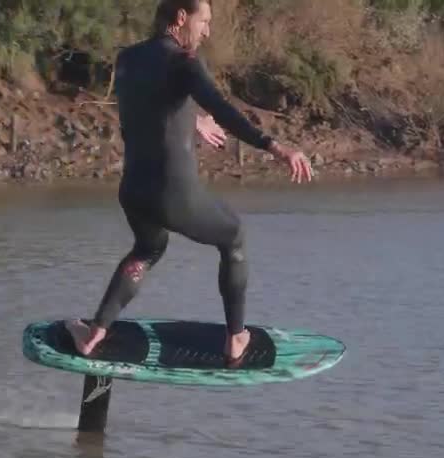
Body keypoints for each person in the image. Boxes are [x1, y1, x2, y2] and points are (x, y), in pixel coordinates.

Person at [64, 0, 313, 365]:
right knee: (235, 236)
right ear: (181, 18)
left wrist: (191, 120)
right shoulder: (184, 61)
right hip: (171, 193)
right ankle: (236, 339)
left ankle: (95, 332)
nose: (207, 31)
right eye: (204, 21)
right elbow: (223, 108)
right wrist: (275, 147)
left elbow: (147, 104)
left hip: (134, 191)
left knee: (148, 249)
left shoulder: (128, 59)